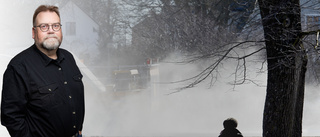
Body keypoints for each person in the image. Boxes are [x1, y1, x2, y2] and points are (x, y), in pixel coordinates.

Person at [1, 5, 84, 137]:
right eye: (44, 26)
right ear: (34, 33)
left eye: (56, 26)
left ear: (60, 30)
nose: (51, 31)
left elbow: (76, 99)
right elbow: (11, 117)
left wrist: (78, 129)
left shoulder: (69, 58)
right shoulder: (18, 67)